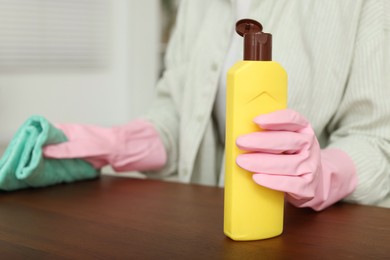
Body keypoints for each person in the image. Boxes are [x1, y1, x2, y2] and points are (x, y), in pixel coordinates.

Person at [43, 0, 390, 210]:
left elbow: (378, 140)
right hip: (208, 228)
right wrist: (121, 142)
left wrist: (324, 174)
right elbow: (182, 113)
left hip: (314, 237)